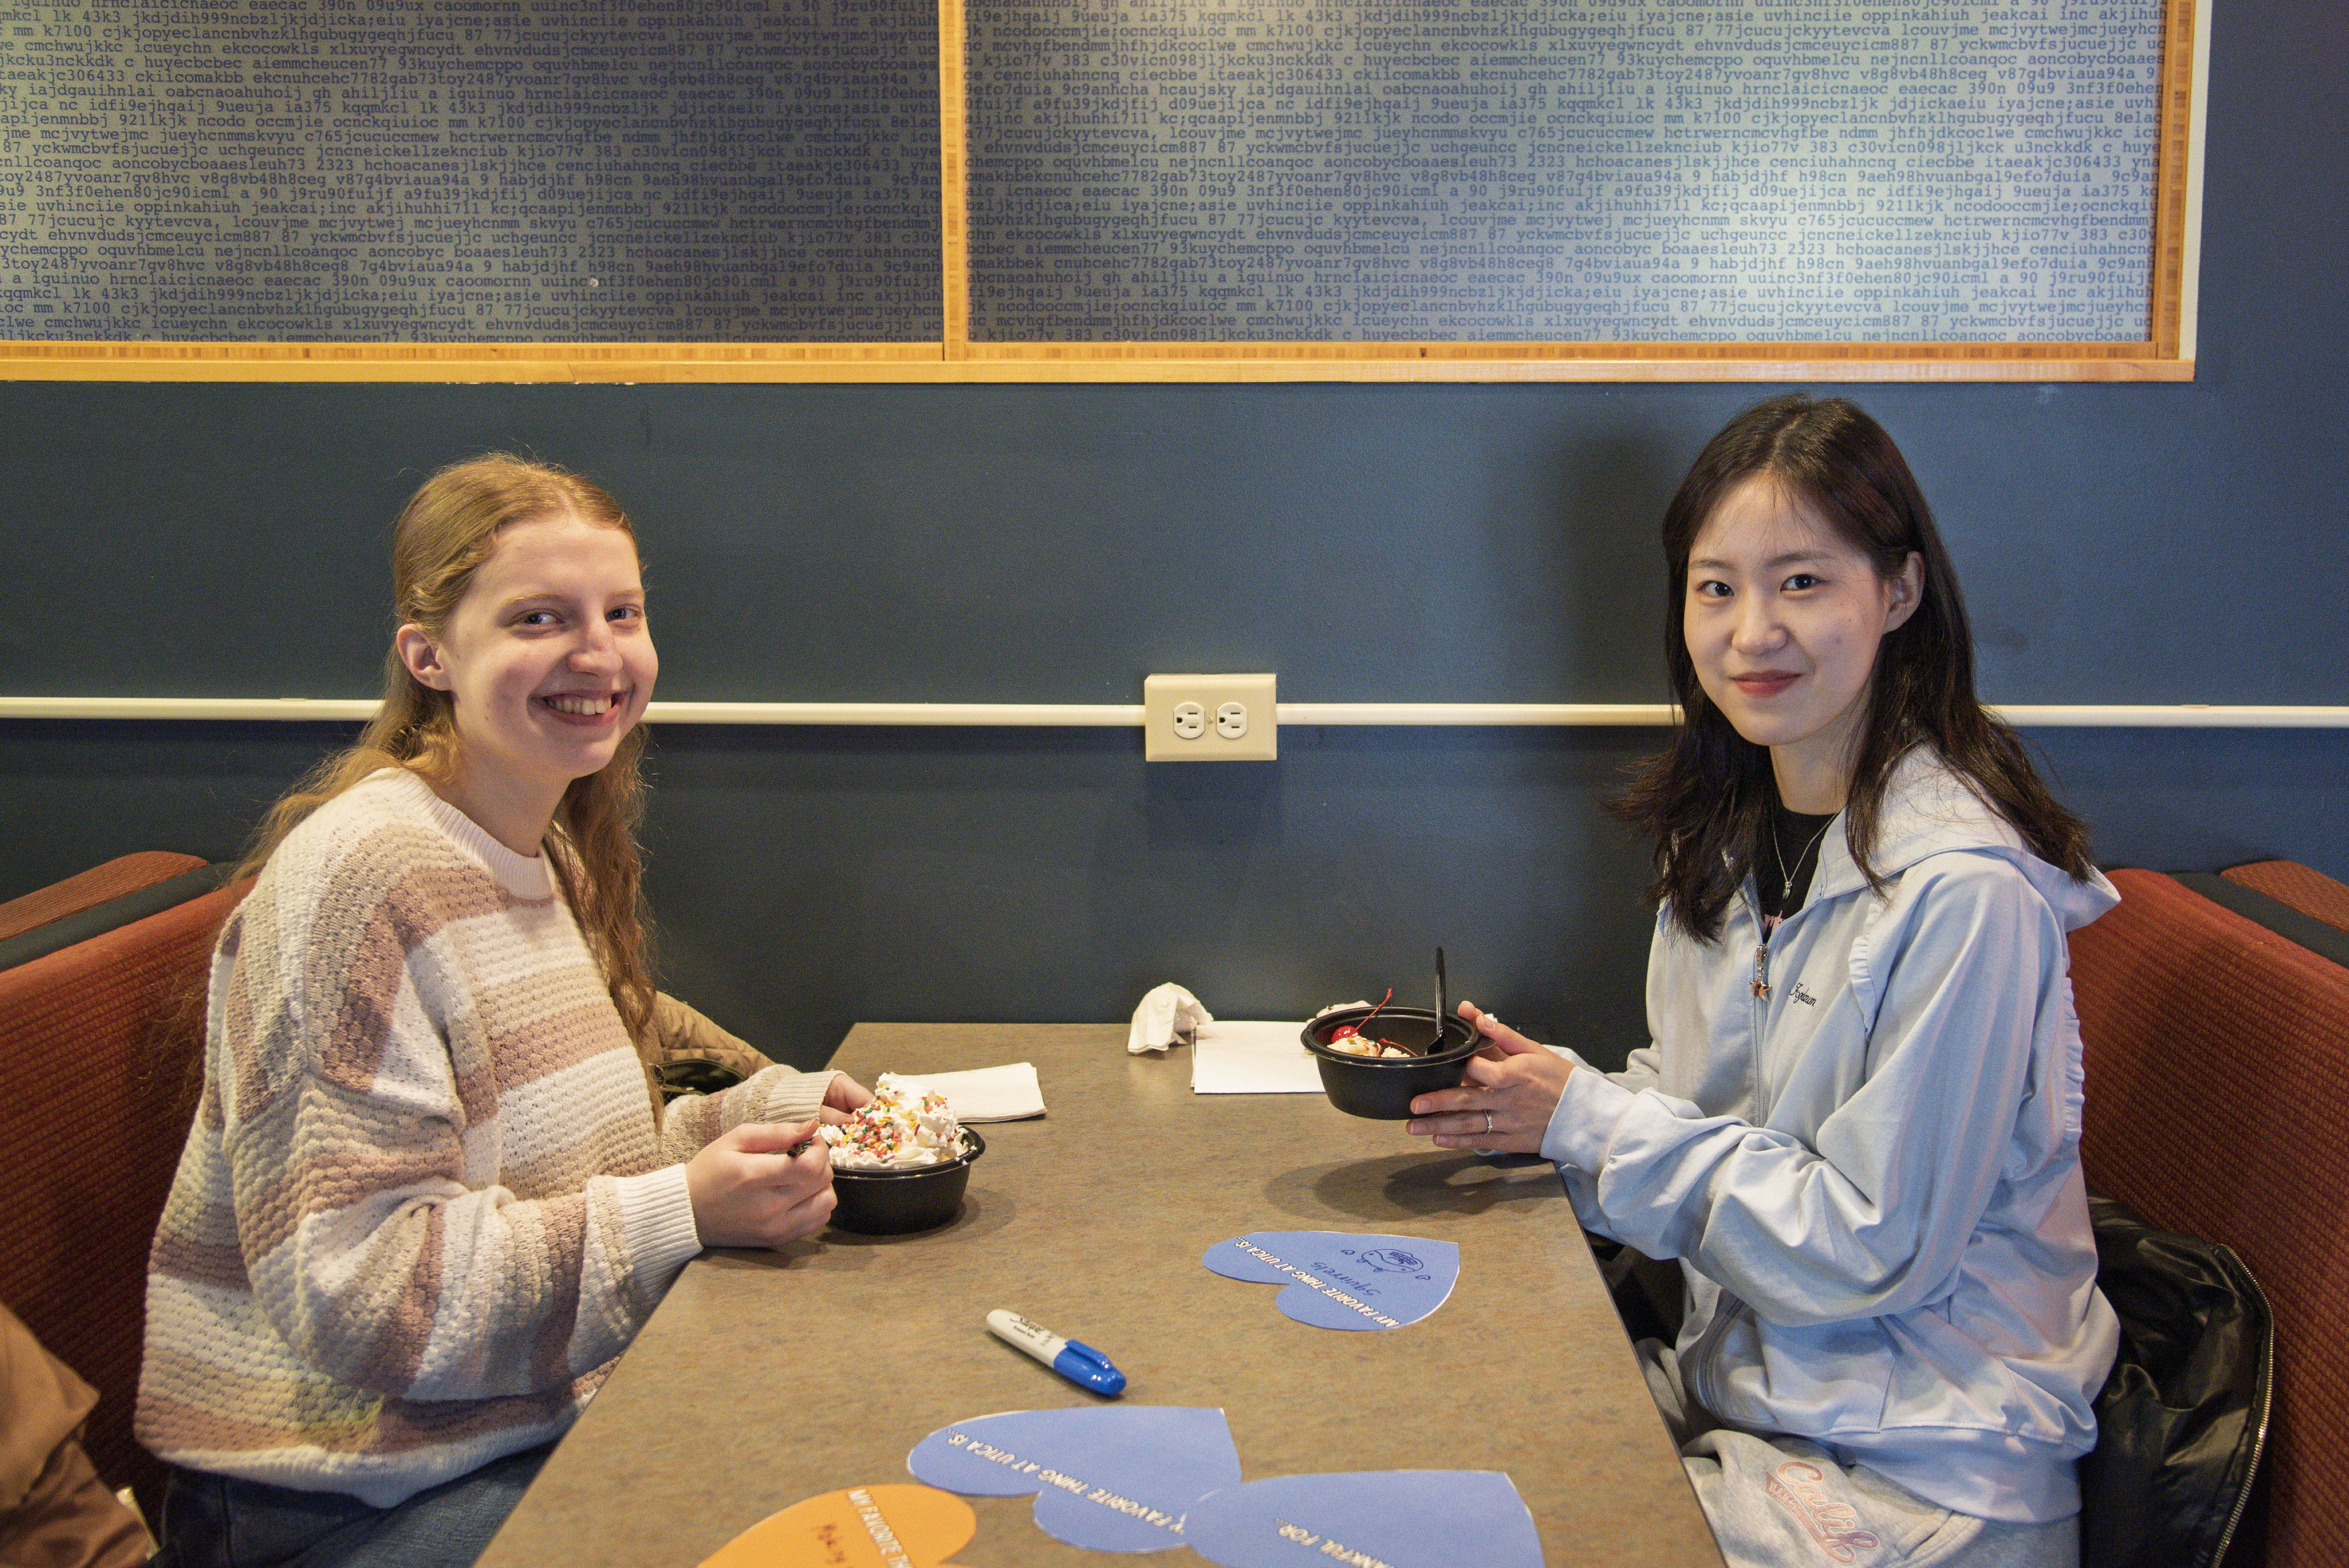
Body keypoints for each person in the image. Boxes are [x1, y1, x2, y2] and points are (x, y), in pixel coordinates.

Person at [1408, 395, 2119, 1567]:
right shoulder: (1733, 836)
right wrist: (1535, 1116)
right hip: (1754, 1409)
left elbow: (1869, 1241)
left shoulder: (1966, 894)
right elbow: (1710, 1107)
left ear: (1898, 592)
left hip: (1919, 1468)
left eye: (1802, 583)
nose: (1751, 634)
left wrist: (1589, 1124)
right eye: (1716, 586)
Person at [137, 455, 870, 1567]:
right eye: (539, 617)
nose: (598, 653)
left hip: (502, 1428)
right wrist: (683, 1211)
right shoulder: (364, 878)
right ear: (428, 655)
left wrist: (767, 1122)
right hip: (336, 1497)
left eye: (621, 613)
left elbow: (556, 1166)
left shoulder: (544, 854)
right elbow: (364, 1292)